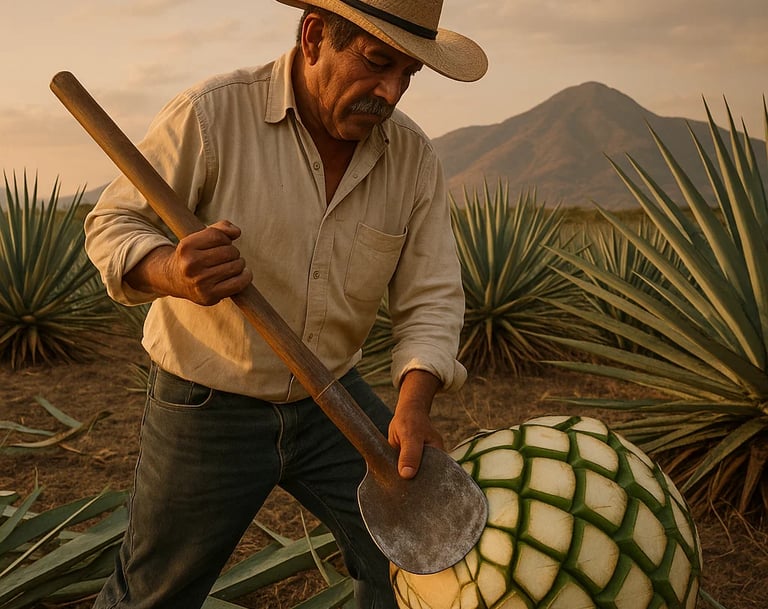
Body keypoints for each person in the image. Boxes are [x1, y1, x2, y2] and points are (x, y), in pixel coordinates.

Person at [84, 1, 487, 607]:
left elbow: (431, 294)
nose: (391, 92)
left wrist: (413, 402)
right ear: (314, 34)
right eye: (377, 63)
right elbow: (113, 222)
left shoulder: (410, 157)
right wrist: (172, 269)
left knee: (415, 568)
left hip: (337, 401)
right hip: (206, 400)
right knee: (155, 592)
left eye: (408, 76)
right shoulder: (213, 115)